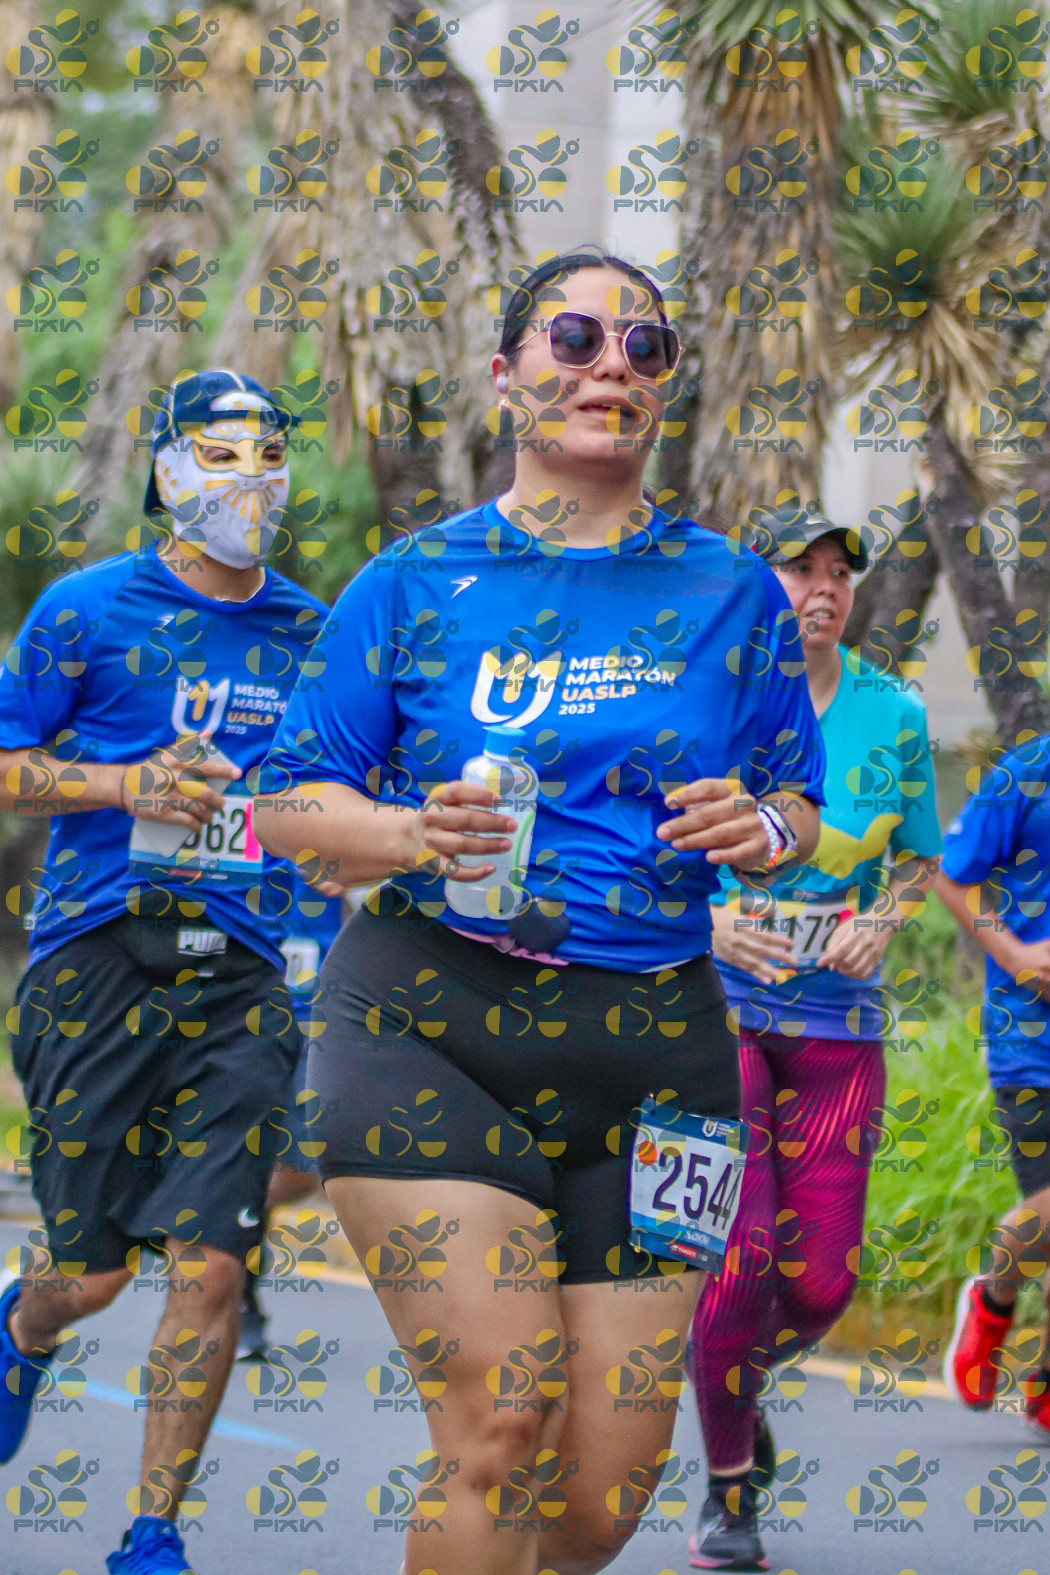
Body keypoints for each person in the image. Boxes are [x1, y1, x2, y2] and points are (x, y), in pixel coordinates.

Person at [255, 250, 826, 1575]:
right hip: (427, 1018)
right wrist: (411, 831)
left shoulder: (732, 591)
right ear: (506, 373)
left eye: (644, 347)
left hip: (659, 1048)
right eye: (573, 338)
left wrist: (764, 831)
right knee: (501, 1422)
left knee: (598, 1503)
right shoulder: (413, 582)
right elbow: (287, 806)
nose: (611, 364)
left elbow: (795, 803)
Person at [0, 369, 329, 1575]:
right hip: (96, 956)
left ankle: (152, 1536)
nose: (253, 479)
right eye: (223, 453)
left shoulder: (312, 631)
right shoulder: (85, 608)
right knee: (89, 1277)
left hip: (241, 976)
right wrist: (122, 784)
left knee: (212, 1266)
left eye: (271, 453)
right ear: (169, 470)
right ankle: (24, 1323)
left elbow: (348, 786)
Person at [688, 509, 942, 1571]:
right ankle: (728, 1491)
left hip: (839, 1021)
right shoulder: (705, 692)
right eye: (799, 567)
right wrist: (708, 924)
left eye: (839, 571)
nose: (822, 586)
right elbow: (640, 844)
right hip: (714, 1011)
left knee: (822, 1283)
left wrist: (884, 916)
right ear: (757, 580)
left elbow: (920, 858)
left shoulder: (895, 713)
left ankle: (726, 1381)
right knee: (738, 1255)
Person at [937, 735, 1050, 1431]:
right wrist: (1015, 955)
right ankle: (994, 1297)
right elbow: (952, 875)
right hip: (1031, 1036)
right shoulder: (1029, 771)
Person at [237, 872, 344, 1360]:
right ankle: (236, 1294)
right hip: (239, 1013)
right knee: (235, 1159)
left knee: (305, 1168)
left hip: (318, 1015)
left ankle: (219, 1219)